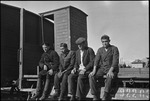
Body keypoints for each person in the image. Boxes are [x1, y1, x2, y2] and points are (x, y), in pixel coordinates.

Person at [89, 35, 119, 100]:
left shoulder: (114, 48)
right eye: (103, 42)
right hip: (103, 68)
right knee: (91, 76)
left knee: (109, 76)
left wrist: (111, 71)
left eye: (106, 41)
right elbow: (96, 60)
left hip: (112, 68)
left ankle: (105, 94)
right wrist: (94, 71)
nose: (104, 43)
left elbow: (115, 61)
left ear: (109, 41)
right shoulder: (100, 50)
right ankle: (95, 95)